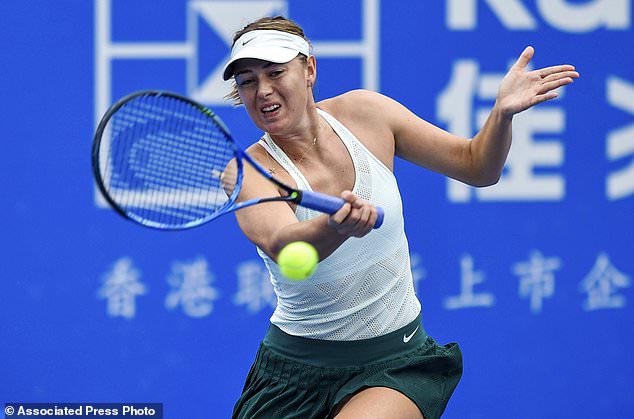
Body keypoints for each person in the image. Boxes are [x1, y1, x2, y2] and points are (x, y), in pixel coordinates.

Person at [222, 16, 579, 419]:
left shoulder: (366, 113)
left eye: (275, 72)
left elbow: (477, 166)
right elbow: (286, 245)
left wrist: (502, 114)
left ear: (309, 70)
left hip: (395, 363)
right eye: (247, 81)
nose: (263, 90)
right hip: (291, 375)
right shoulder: (246, 171)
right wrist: (334, 227)